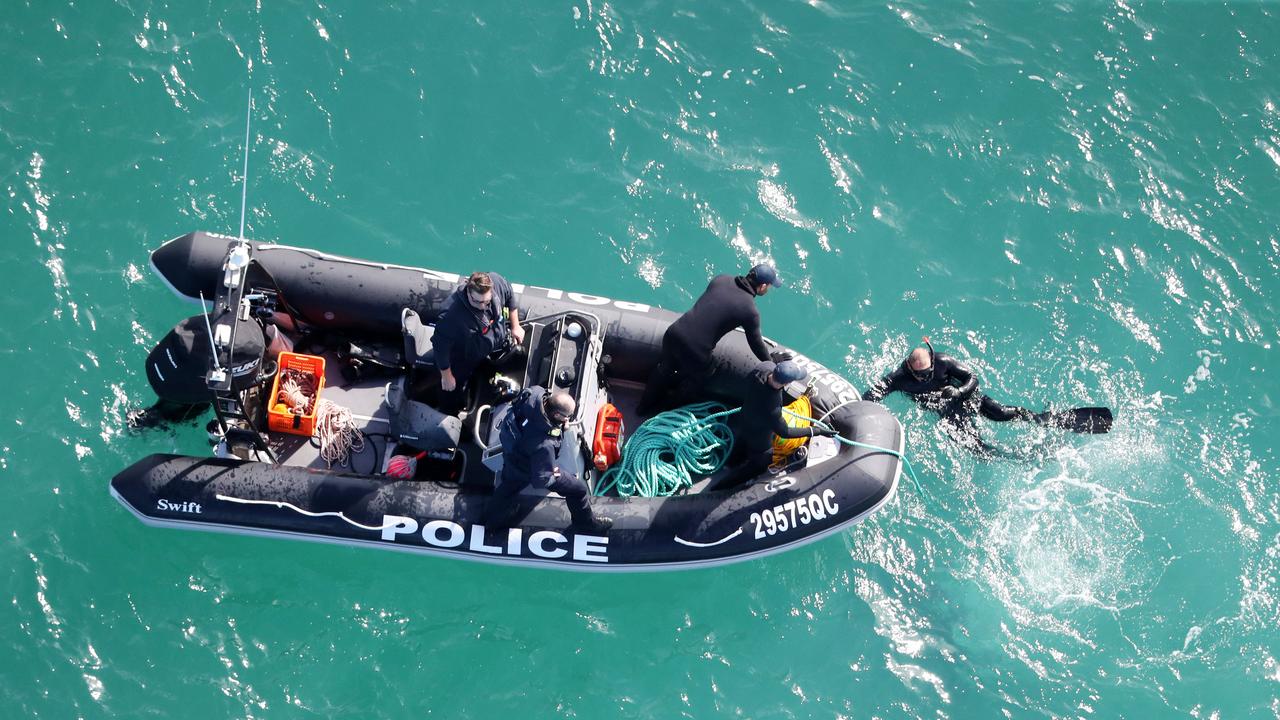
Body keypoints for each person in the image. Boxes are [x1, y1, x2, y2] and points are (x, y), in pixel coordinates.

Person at [863, 338, 1112, 455]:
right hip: (949, 414)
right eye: (916, 375)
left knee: (1004, 413)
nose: (921, 379)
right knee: (980, 450)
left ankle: (1045, 419)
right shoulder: (900, 378)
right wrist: (861, 411)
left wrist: (958, 391)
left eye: (925, 375)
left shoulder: (943, 362)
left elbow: (973, 378)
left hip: (964, 398)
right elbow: (875, 392)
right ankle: (1019, 457)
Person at [637, 263, 781, 416]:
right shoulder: (750, 311)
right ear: (763, 286)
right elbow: (756, 343)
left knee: (663, 368)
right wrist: (771, 362)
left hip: (674, 333)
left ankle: (642, 408)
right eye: (769, 286)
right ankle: (662, 414)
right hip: (696, 350)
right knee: (700, 378)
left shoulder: (721, 279)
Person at [483, 386, 613, 533]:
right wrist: (552, 474)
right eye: (566, 417)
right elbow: (542, 479)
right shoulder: (545, 445)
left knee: (507, 487)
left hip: (513, 453)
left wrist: (559, 427)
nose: (567, 420)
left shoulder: (534, 392)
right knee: (578, 490)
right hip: (528, 466)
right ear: (557, 415)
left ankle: (491, 522)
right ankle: (585, 523)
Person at [705, 360, 837, 492]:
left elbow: (768, 360)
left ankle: (730, 463)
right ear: (786, 383)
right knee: (760, 465)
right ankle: (719, 488)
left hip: (745, 419)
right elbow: (785, 432)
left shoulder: (762, 369)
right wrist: (816, 430)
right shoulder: (772, 408)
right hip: (759, 439)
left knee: (741, 442)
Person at [431, 271, 525, 414]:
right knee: (452, 389)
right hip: (464, 356)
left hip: (495, 344)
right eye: (478, 301)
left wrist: (515, 325)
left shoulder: (497, 281)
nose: (483, 306)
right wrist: (446, 375)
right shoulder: (451, 316)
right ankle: (449, 411)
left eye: (487, 301)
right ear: (468, 291)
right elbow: (440, 346)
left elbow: (510, 294)